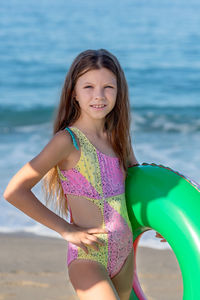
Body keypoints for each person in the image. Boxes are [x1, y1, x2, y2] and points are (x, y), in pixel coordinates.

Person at [4, 49, 166, 300]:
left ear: (119, 92)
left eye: (108, 87)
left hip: (124, 256)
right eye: (88, 86)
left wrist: (162, 222)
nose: (99, 96)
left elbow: (136, 188)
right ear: (74, 94)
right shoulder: (67, 141)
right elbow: (14, 191)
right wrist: (66, 230)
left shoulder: (119, 138)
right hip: (88, 257)